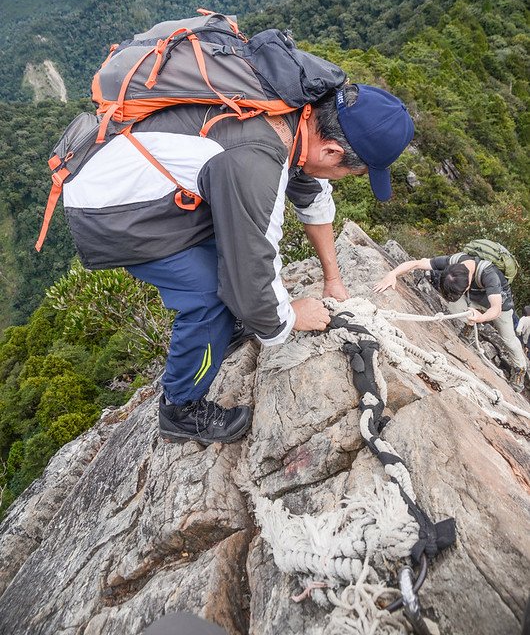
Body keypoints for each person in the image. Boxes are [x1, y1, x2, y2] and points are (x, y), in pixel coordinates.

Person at [63, 83, 414, 442]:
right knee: (208, 298)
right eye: (351, 173)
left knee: (232, 266)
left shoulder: (297, 115)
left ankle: (226, 326)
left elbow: (313, 199)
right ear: (331, 150)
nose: (344, 179)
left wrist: (332, 278)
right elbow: (250, 274)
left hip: (135, 169)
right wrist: (289, 316)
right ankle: (180, 410)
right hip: (111, 211)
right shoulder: (257, 161)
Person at [374, 253, 528, 392]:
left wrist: (481, 317)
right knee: (455, 306)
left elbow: (495, 309)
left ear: (467, 284)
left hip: (499, 304)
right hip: (472, 298)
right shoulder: (453, 261)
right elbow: (417, 263)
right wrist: (392, 273)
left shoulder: (489, 275)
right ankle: (469, 324)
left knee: (508, 339)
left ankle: (520, 368)